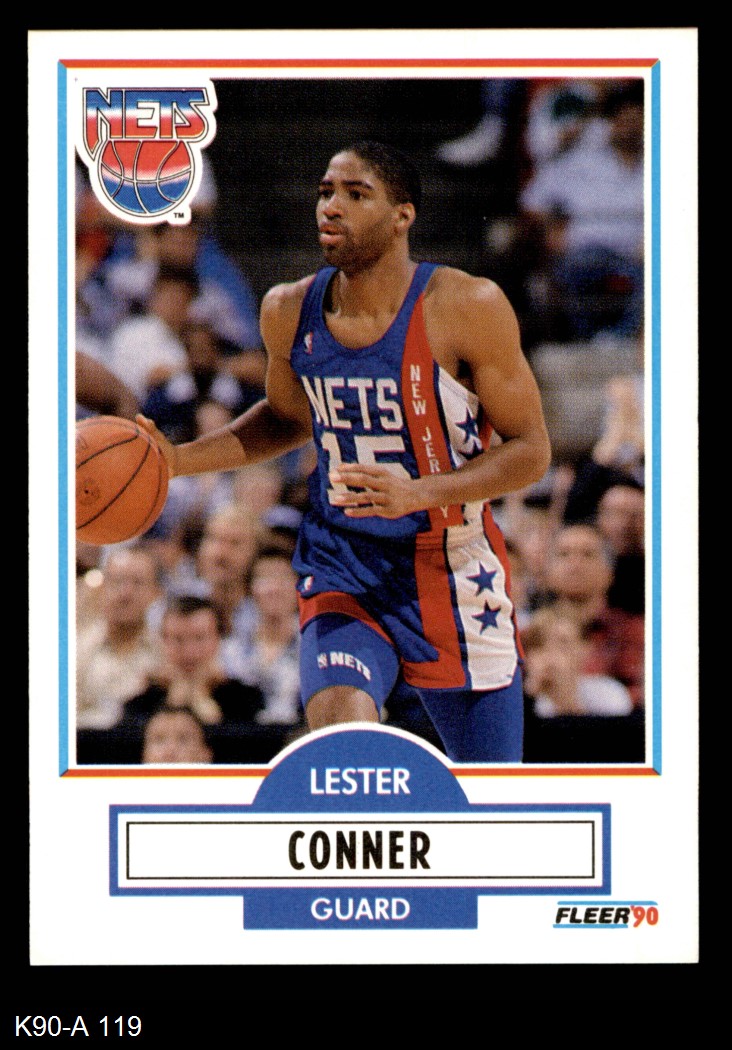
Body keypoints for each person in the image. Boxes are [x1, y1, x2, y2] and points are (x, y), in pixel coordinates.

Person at [139, 141, 551, 762]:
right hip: (344, 561)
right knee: (342, 743)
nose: (331, 207)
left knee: (492, 794)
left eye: (356, 195)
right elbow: (287, 418)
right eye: (326, 192)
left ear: (402, 216)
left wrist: (420, 492)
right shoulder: (287, 308)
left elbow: (531, 450)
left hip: (450, 562)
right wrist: (175, 460)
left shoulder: (467, 306)